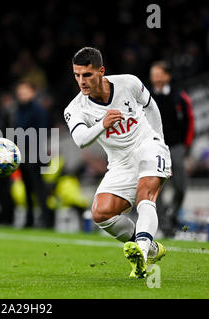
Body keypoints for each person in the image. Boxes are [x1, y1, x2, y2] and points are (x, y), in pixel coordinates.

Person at [63, 47, 171, 278]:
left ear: (101, 71)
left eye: (87, 75)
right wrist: (102, 124)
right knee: (101, 213)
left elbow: (151, 107)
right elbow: (81, 140)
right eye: (77, 75)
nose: (81, 81)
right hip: (120, 162)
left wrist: (159, 141)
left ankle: (140, 254)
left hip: (147, 146)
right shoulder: (75, 109)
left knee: (145, 195)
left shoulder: (128, 83)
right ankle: (149, 248)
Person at [149, 61, 195, 237]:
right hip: (154, 147)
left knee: (181, 186)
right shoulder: (147, 98)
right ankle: (164, 224)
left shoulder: (180, 97)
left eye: (159, 73)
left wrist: (186, 146)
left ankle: (172, 214)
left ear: (167, 76)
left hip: (175, 147)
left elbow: (190, 121)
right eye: (153, 74)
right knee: (156, 188)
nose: (155, 77)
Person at [13, 80, 54, 228]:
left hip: (35, 153)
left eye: (24, 92)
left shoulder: (38, 110)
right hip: (22, 153)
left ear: (33, 92)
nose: (21, 95)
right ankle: (29, 219)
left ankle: (47, 219)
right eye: (19, 92)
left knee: (38, 188)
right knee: (27, 188)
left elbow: (43, 132)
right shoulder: (18, 109)